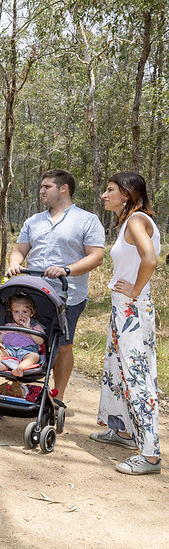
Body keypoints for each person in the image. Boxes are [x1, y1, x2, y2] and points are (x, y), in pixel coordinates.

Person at [6, 169, 105, 401]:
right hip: (32, 293)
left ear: (64, 188)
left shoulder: (87, 220)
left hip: (67, 294)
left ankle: (57, 397)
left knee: (62, 346)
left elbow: (96, 256)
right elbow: (20, 249)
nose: (41, 191)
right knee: (26, 338)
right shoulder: (34, 220)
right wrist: (14, 263)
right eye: (41, 186)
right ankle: (22, 391)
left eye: (46, 187)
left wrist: (66, 269)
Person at [90, 172, 161, 475]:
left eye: (110, 190)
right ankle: (121, 431)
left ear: (128, 194)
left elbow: (150, 259)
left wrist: (134, 290)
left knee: (137, 378)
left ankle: (151, 456)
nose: (104, 195)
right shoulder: (129, 222)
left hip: (131, 308)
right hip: (124, 309)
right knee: (117, 372)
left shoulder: (135, 220)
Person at [0, 294, 45, 376]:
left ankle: (19, 368)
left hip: (27, 352)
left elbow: (40, 342)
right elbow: (0, 340)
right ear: (11, 312)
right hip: (9, 351)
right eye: (16, 312)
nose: (20, 315)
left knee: (35, 357)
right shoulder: (8, 326)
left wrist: (29, 329)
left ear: (31, 313)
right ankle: (2, 364)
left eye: (25, 312)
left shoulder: (36, 326)